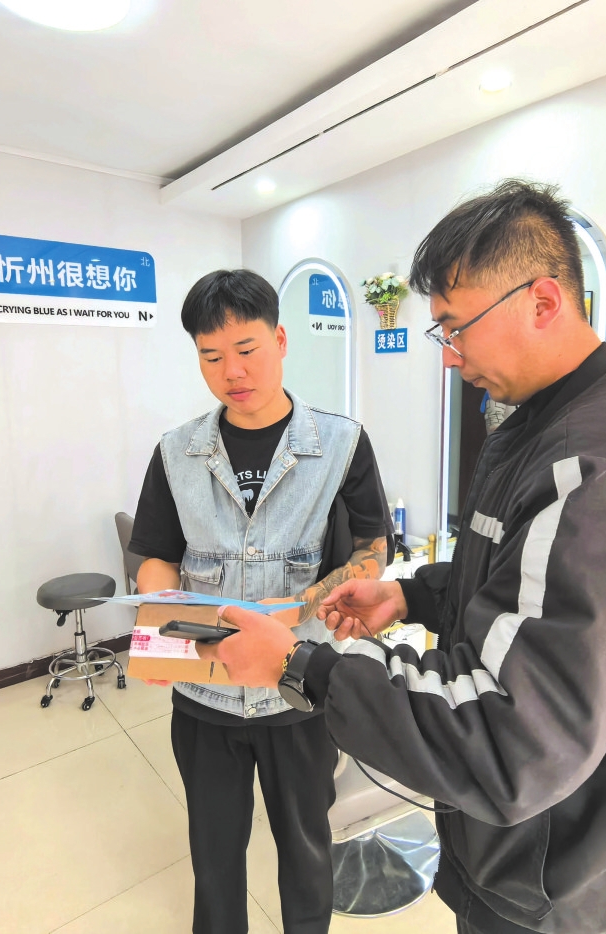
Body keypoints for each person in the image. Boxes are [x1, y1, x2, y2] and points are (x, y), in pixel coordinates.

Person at [198, 180, 606, 934]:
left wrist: (301, 666)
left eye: (457, 328)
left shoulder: (602, 477)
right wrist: (414, 595)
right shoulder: (550, 427)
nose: (450, 358)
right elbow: (526, 583)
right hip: (544, 855)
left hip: (571, 883)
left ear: (542, 301)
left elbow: (505, 738)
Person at [128, 269, 394, 934]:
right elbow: (155, 555)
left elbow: (372, 550)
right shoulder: (175, 453)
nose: (232, 372)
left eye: (246, 349)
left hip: (298, 689)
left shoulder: (341, 444)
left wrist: (300, 607)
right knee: (214, 857)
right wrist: (161, 627)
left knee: (307, 850)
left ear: (279, 340)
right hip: (205, 696)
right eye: (211, 356)